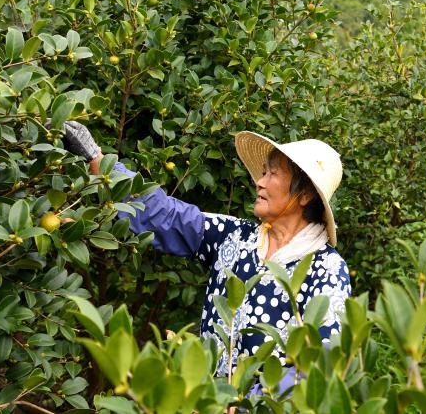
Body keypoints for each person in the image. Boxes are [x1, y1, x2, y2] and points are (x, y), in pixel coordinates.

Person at [60, 122, 352, 380]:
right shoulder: (235, 238)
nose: (260, 183)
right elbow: (166, 217)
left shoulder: (324, 268)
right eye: (263, 173)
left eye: (272, 174)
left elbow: (322, 360)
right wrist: (98, 159)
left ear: (304, 195)